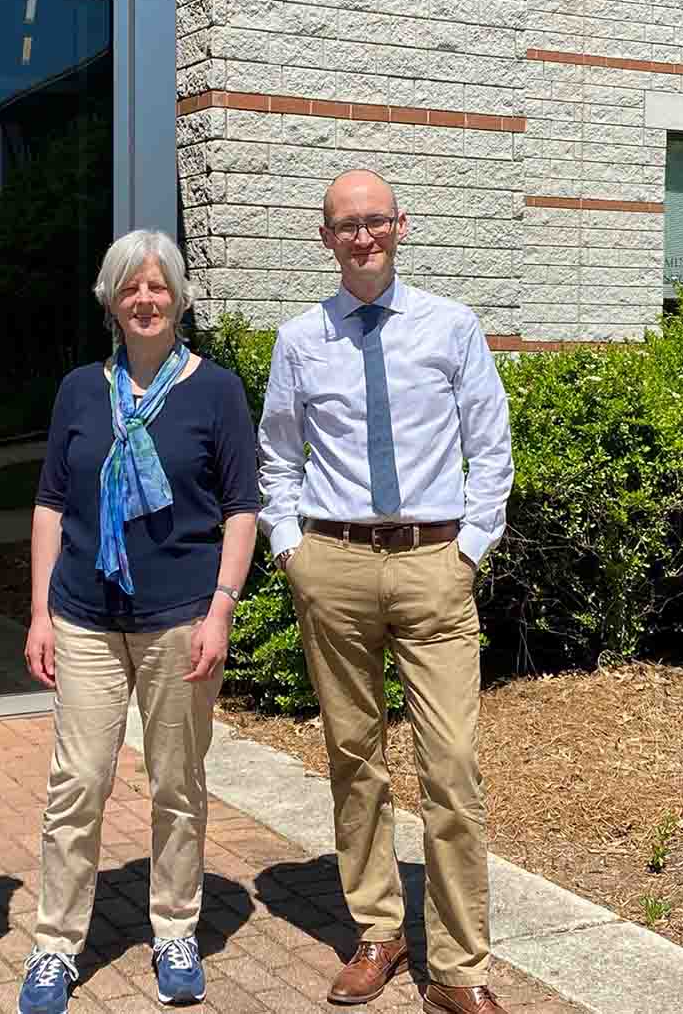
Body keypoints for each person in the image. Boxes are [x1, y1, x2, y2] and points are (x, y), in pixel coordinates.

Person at [257, 170, 515, 1014]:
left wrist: (469, 549)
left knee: (452, 767)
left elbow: (491, 443)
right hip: (333, 565)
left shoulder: (452, 325)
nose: (362, 236)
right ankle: (379, 927)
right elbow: (277, 458)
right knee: (353, 757)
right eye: (346, 225)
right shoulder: (300, 339)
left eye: (375, 221)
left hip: (432, 565)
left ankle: (458, 965)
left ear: (402, 225)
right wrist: (292, 549)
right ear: (323, 237)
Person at [15, 230, 260, 1014]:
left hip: (181, 618)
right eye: (131, 288)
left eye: (159, 286)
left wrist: (221, 607)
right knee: (77, 782)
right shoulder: (81, 390)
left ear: (179, 297)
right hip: (85, 614)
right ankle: (55, 944)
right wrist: (40, 610)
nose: (146, 299)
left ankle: (177, 928)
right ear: (112, 301)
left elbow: (241, 510)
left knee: (177, 783)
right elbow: (52, 501)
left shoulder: (215, 390)